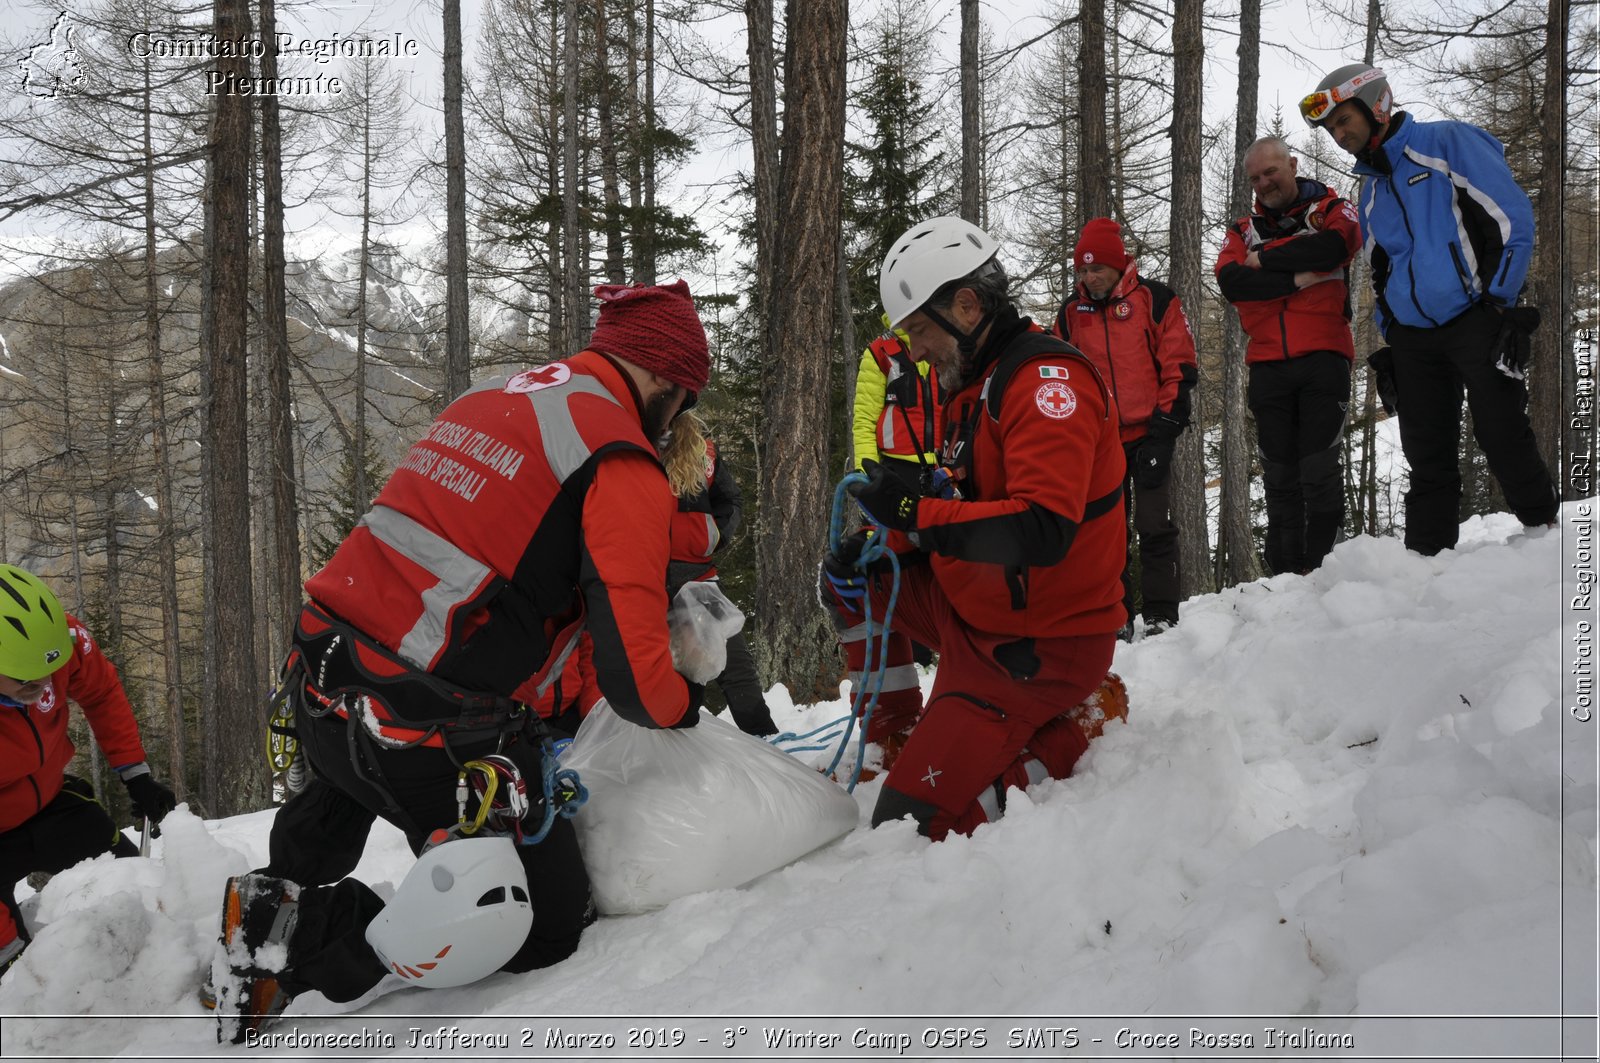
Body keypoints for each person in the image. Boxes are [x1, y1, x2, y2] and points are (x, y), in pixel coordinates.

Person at [211, 281, 710, 1039]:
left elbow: (530, 531)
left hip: (322, 677)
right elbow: (638, 683)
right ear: (668, 385)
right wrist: (686, 703)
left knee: (377, 719)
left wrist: (697, 537)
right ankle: (299, 933)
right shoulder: (622, 457)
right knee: (548, 925)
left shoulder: (502, 398)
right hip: (430, 740)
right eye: (682, 405)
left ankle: (290, 868)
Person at [819, 216, 1128, 842]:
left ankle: (1083, 722)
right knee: (853, 582)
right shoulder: (976, 384)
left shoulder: (1046, 384)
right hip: (978, 613)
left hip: (1037, 648)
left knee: (916, 826)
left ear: (966, 305)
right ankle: (895, 727)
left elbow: (1042, 529)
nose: (917, 351)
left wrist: (913, 516)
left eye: (920, 332)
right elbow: (968, 500)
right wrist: (893, 542)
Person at [1302, 63, 1557, 554]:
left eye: (1343, 120)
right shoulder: (1371, 185)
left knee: (1502, 431)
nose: (1338, 134)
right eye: (1331, 128)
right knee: (1427, 454)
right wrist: (1391, 330)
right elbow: (1379, 265)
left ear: (1375, 104)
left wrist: (1499, 304)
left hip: (1475, 319)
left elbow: (1511, 220)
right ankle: (1426, 566)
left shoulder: (1446, 143)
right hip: (1415, 339)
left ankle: (1544, 538)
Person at [0, 565, 176, 976]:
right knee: (18, 973)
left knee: (138, 888)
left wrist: (134, 772)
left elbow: (102, 693)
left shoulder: (62, 640)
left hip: (49, 800)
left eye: (50, 670)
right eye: (27, 681)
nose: (44, 686)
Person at [1215, 135, 1361, 574]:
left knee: (1318, 470)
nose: (1264, 183)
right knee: (1279, 478)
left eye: (1271, 172)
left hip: (1324, 357)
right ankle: (1284, 582)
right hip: (1267, 365)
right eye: (1255, 177)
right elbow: (1234, 284)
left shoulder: (1331, 209)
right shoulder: (1241, 230)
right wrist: (1301, 280)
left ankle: (1323, 574)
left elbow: (1335, 247)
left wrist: (1265, 258)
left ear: (1292, 164)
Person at [1052, 218, 1197, 636]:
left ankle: (1161, 614)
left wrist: (1165, 429)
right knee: (1106, 532)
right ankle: (1114, 616)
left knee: (1154, 525)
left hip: (1150, 433)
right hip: (1100, 442)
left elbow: (1179, 364)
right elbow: (1062, 373)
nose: (1089, 277)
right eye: (1082, 269)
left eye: (1096, 268)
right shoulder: (1070, 313)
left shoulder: (1156, 299)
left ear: (1119, 266)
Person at [841, 318, 943, 760]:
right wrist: (867, 472)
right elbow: (864, 416)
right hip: (893, 468)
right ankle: (902, 680)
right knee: (889, 561)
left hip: (939, 467)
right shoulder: (880, 353)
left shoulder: (941, 343)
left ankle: (933, 645)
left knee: (935, 557)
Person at [660, 412, 777, 737]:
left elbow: (730, 498)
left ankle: (764, 738)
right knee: (662, 671)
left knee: (734, 663)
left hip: (698, 576)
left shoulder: (703, 451)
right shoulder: (628, 445)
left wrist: (714, 534)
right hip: (645, 577)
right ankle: (672, 750)